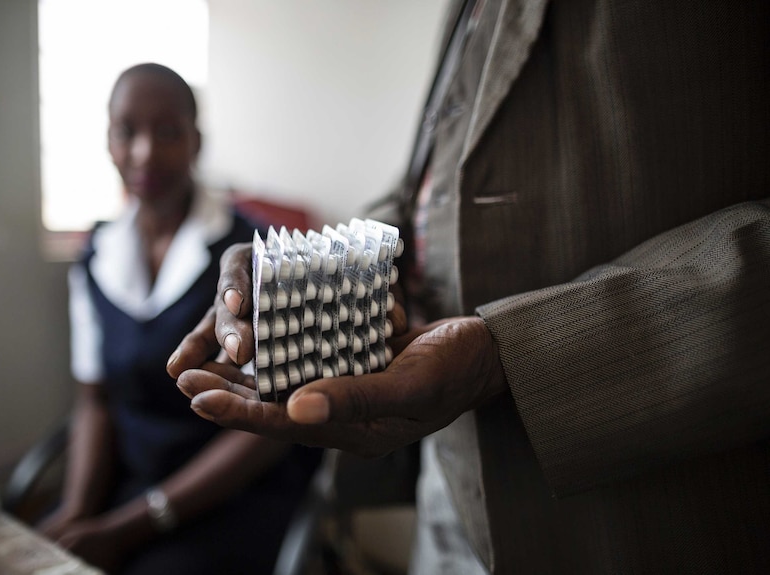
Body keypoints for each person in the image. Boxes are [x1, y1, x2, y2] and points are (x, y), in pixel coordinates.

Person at [167, 2, 770, 574]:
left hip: (643, 510)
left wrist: (507, 353)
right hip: (448, 479)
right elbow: (429, 181)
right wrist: (343, 267)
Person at [39, 63, 322, 575]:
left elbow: (269, 426)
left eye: (167, 132)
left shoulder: (256, 253)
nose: (145, 151)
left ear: (195, 141)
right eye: (128, 131)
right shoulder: (96, 256)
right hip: (131, 485)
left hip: (232, 495)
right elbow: (95, 401)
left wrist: (127, 530)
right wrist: (78, 510)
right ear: (109, 142)